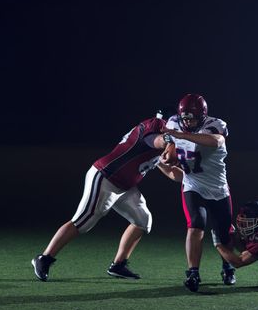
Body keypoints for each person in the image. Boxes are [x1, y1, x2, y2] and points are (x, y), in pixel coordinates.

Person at [32, 113, 169, 281]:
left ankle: (118, 264)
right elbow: (158, 140)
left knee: (143, 220)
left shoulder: (166, 144)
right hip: (106, 177)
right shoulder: (155, 131)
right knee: (83, 221)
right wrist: (178, 137)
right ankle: (44, 258)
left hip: (125, 185)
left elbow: (169, 169)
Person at [158, 93, 236, 292]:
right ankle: (193, 272)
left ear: (202, 115)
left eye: (192, 118)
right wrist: (168, 154)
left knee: (224, 232)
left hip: (218, 187)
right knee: (195, 225)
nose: (188, 122)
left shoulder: (216, 124)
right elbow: (170, 148)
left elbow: (216, 141)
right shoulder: (174, 123)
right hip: (193, 184)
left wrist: (180, 135)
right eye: (185, 118)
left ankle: (227, 265)